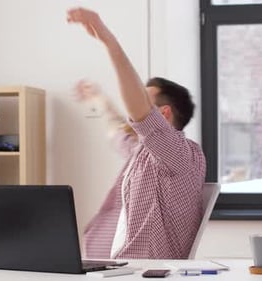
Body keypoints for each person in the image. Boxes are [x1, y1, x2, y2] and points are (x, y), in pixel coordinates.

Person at [67, 7, 206, 259]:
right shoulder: (144, 154)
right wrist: (98, 98)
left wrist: (109, 41)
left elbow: (137, 115)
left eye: (143, 100)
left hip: (147, 272)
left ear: (163, 114)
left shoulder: (181, 155)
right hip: (118, 268)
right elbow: (120, 129)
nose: (134, 107)